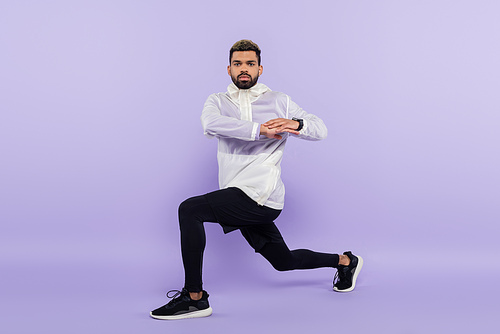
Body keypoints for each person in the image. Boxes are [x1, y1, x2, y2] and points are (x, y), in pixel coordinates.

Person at [150, 39, 363, 320]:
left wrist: (296, 124)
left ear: (260, 69)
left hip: (262, 195)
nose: (244, 70)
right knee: (283, 262)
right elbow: (210, 124)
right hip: (235, 194)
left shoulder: (279, 101)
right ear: (229, 69)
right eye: (238, 64)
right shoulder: (217, 101)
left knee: (189, 209)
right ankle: (345, 261)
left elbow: (320, 129)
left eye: (250, 64)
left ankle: (195, 297)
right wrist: (259, 129)